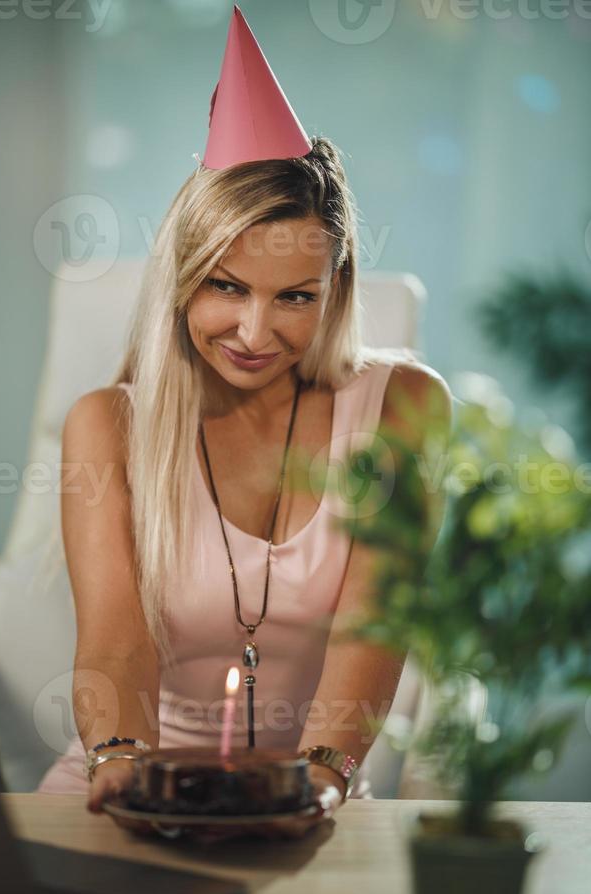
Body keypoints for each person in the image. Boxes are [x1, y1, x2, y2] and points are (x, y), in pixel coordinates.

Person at [36, 8, 452, 842]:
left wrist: (320, 785)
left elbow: (376, 629)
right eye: (227, 287)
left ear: (335, 290)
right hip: (134, 783)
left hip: (313, 793)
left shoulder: (404, 408)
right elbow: (116, 640)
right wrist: (124, 763)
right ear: (183, 281)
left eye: (294, 296)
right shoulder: (106, 426)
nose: (256, 334)